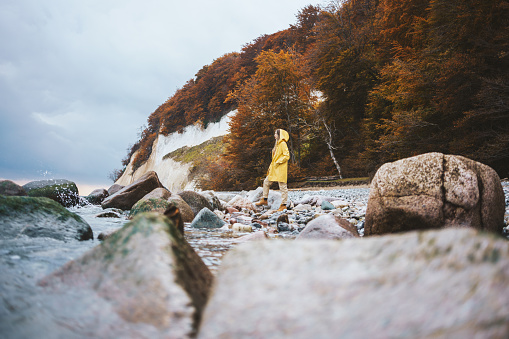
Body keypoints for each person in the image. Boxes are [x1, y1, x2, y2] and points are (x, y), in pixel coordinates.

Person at [255, 128, 290, 211]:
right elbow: (274, 158)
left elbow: (287, 155)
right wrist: (271, 166)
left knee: (283, 187)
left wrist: (278, 162)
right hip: (274, 169)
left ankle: (284, 205)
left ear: (279, 135)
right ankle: (264, 199)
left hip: (280, 169)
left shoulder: (283, 144)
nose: (274, 135)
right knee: (266, 182)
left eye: (276, 134)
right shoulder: (277, 144)